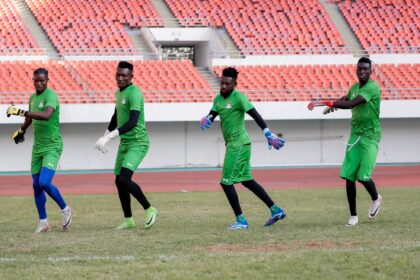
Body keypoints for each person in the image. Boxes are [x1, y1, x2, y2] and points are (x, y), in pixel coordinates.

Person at [200, 67, 286, 229]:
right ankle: (276, 210)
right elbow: (213, 113)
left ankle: (241, 220)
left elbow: (256, 115)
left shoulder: (239, 98)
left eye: (227, 83)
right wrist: (207, 119)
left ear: (235, 84)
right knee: (247, 181)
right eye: (222, 83)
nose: (224, 86)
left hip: (238, 144)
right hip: (234, 145)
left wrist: (268, 134)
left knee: (226, 182)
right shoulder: (218, 99)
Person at [307, 57, 382, 226]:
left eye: (365, 69)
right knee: (349, 176)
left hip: (370, 137)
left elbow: (351, 104)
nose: (362, 71)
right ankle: (353, 216)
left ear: (370, 71)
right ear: (356, 70)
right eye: (360, 68)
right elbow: (347, 98)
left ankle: (376, 198)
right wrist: (332, 105)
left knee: (363, 176)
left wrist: (325, 101)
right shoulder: (354, 87)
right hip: (355, 136)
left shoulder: (373, 87)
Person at [7, 68, 72, 233]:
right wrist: (22, 130)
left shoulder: (51, 96)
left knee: (44, 182)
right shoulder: (33, 97)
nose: (39, 83)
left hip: (52, 146)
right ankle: (43, 222)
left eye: (42, 80)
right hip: (38, 148)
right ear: (33, 80)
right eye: (36, 80)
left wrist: (20, 111)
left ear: (47, 80)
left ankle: (65, 209)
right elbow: (30, 117)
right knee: (36, 186)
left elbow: (46, 115)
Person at [94, 61, 158, 230]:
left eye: (124, 75)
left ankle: (150, 209)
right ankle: (129, 220)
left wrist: (109, 138)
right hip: (125, 143)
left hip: (138, 142)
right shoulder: (118, 92)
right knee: (118, 181)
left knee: (124, 178)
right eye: (118, 75)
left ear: (131, 77)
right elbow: (116, 115)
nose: (120, 78)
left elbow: (132, 121)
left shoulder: (134, 93)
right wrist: (105, 134)